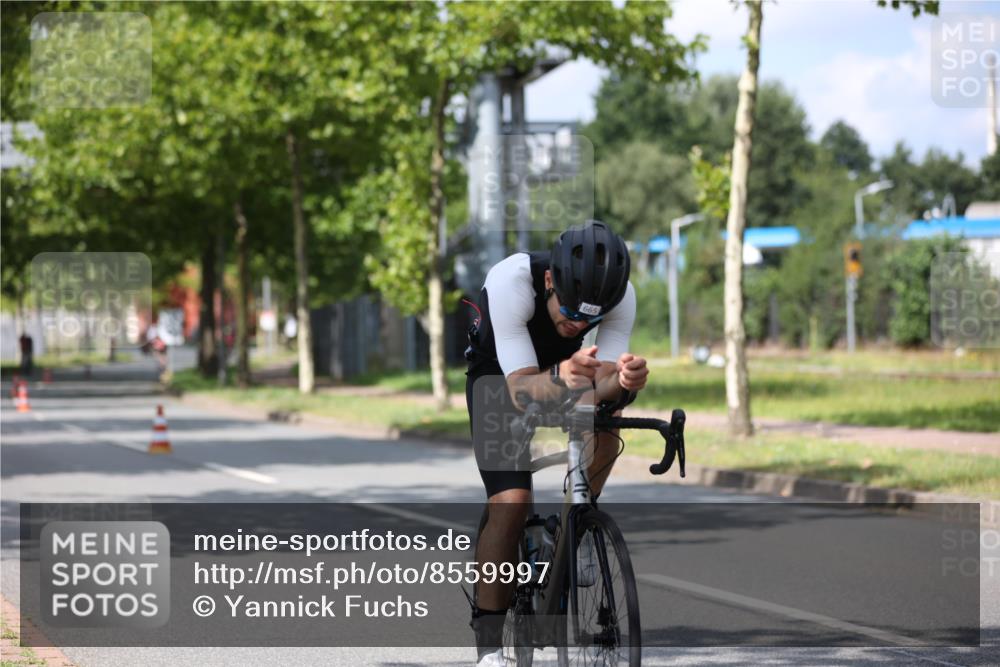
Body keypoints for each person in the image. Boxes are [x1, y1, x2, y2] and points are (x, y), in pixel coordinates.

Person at [464, 220, 649, 666]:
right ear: (550, 282)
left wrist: (624, 381)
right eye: (569, 311)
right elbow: (521, 390)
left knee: (608, 421)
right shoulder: (512, 282)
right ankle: (489, 650)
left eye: (591, 318)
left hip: (566, 372)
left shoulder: (618, 296)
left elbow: (601, 380)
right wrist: (562, 377)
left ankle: (578, 529)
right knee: (511, 502)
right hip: (500, 376)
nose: (578, 323)